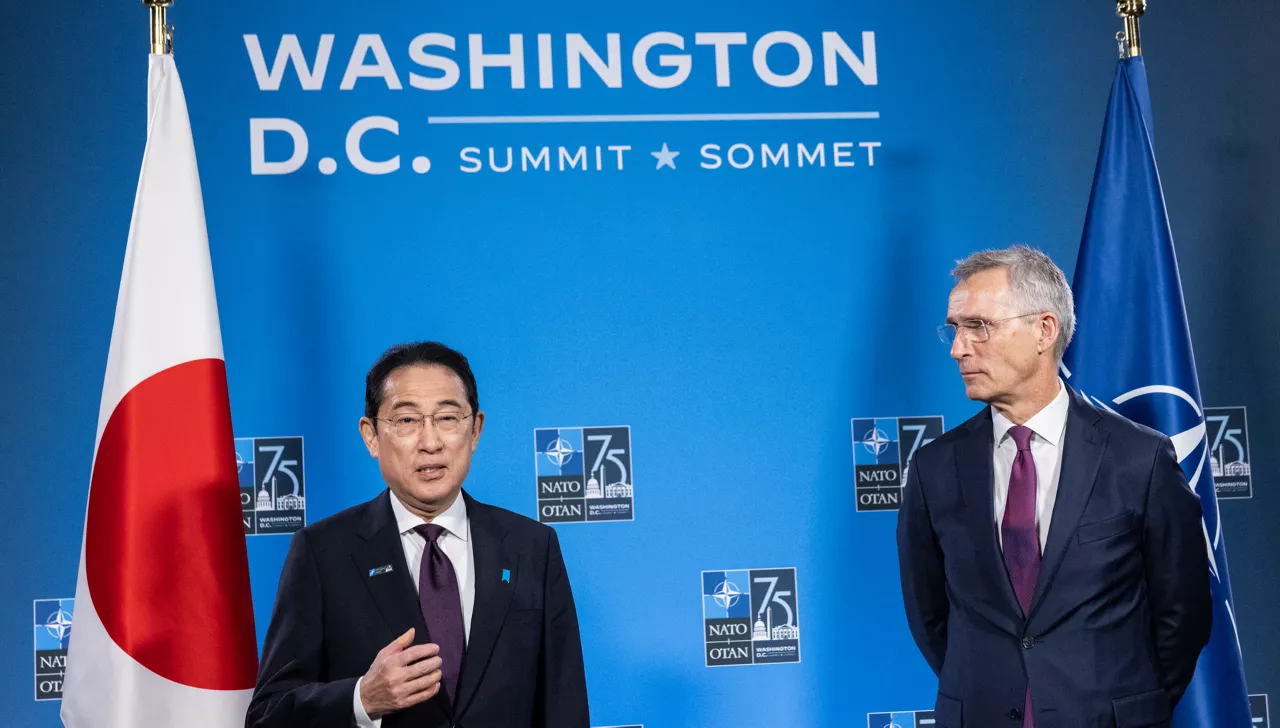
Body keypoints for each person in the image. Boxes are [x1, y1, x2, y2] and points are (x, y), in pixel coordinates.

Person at [896, 246, 1212, 728]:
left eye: (979, 326)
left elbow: (1183, 615)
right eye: (955, 329)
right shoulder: (932, 469)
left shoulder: (1139, 459)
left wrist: (1123, 708)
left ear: (1044, 330)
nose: (959, 348)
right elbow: (930, 617)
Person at [246, 342, 590, 728]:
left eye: (447, 418)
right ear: (371, 436)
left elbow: (565, 706)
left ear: (475, 430)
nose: (430, 442)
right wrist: (362, 699)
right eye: (407, 421)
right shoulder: (323, 552)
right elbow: (267, 717)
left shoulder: (532, 547)